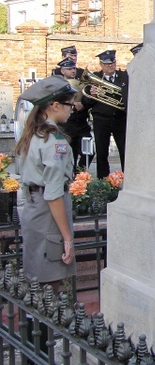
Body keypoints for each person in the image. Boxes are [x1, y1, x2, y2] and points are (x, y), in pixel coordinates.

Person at [16, 76, 78, 288]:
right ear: (54, 105)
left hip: (34, 208)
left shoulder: (34, 133)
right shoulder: (53, 141)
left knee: (36, 279)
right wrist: (68, 239)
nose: (72, 109)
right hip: (48, 213)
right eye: (69, 104)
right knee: (51, 282)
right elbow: (53, 193)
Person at [82, 50, 128, 179]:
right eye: (106, 64)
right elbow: (85, 103)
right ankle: (103, 180)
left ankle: (128, 180)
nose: (110, 66)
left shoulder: (124, 77)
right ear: (101, 64)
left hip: (120, 119)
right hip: (101, 119)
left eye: (112, 63)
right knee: (102, 153)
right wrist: (92, 95)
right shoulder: (95, 78)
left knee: (124, 151)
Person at [57, 57, 92, 173]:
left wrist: (83, 104)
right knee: (70, 152)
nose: (73, 71)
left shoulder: (81, 83)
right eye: (69, 69)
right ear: (62, 71)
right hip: (67, 124)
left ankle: (79, 173)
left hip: (81, 122)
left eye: (73, 68)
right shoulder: (57, 84)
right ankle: (70, 176)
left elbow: (90, 100)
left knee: (89, 151)